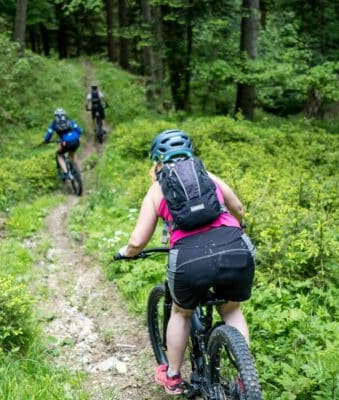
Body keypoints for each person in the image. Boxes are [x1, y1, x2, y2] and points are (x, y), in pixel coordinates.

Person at [116, 129, 256, 395]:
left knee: (181, 312)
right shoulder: (208, 176)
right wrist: (240, 228)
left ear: (157, 160)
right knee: (231, 309)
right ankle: (243, 376)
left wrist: (127, 252)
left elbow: (138, 240)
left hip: (189, 260)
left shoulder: (158, 188)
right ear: (190, 153)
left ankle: (173, 376)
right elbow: (237, 206)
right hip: (235, 248)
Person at [43, 108, 83, 180]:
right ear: (64, 114)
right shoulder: (69, 120)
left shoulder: (54, 123)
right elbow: (79, 130)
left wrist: (46, 140)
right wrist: (76, 136)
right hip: (76, 141)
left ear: (55, 116)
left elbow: (49, 133)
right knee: (72, 153)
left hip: (66, 142)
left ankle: (66, 173)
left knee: (59, 155)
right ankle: (77, 171)